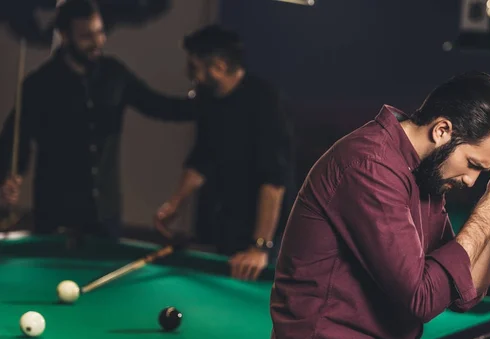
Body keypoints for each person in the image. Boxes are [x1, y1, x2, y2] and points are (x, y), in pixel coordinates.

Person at [266, 72, 490, 339]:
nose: (471, 181)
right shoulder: (370, 164)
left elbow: (463, 293)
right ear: (442, 130)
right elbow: (421, 298)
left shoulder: (425, 173)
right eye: (472, 164)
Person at [0, 0, 195, 237]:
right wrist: (10, 177)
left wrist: (208, 101)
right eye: (86, 36)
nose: (98, 42)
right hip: (56, 215)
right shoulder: (39, 84)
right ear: (65, 36)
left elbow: (159, 106)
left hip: (105, 215)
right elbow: (14, 142)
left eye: (100, 32)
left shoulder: (115, 75)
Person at [154, 25, 295, 281]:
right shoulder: (210, 101)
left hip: (265, 236)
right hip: (225, 226)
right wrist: (174, 204)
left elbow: (274, 181)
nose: (191, 75)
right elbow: (201, 160)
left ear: (218, 65)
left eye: (194, 67)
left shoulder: (265, 101)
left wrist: (260, 247)